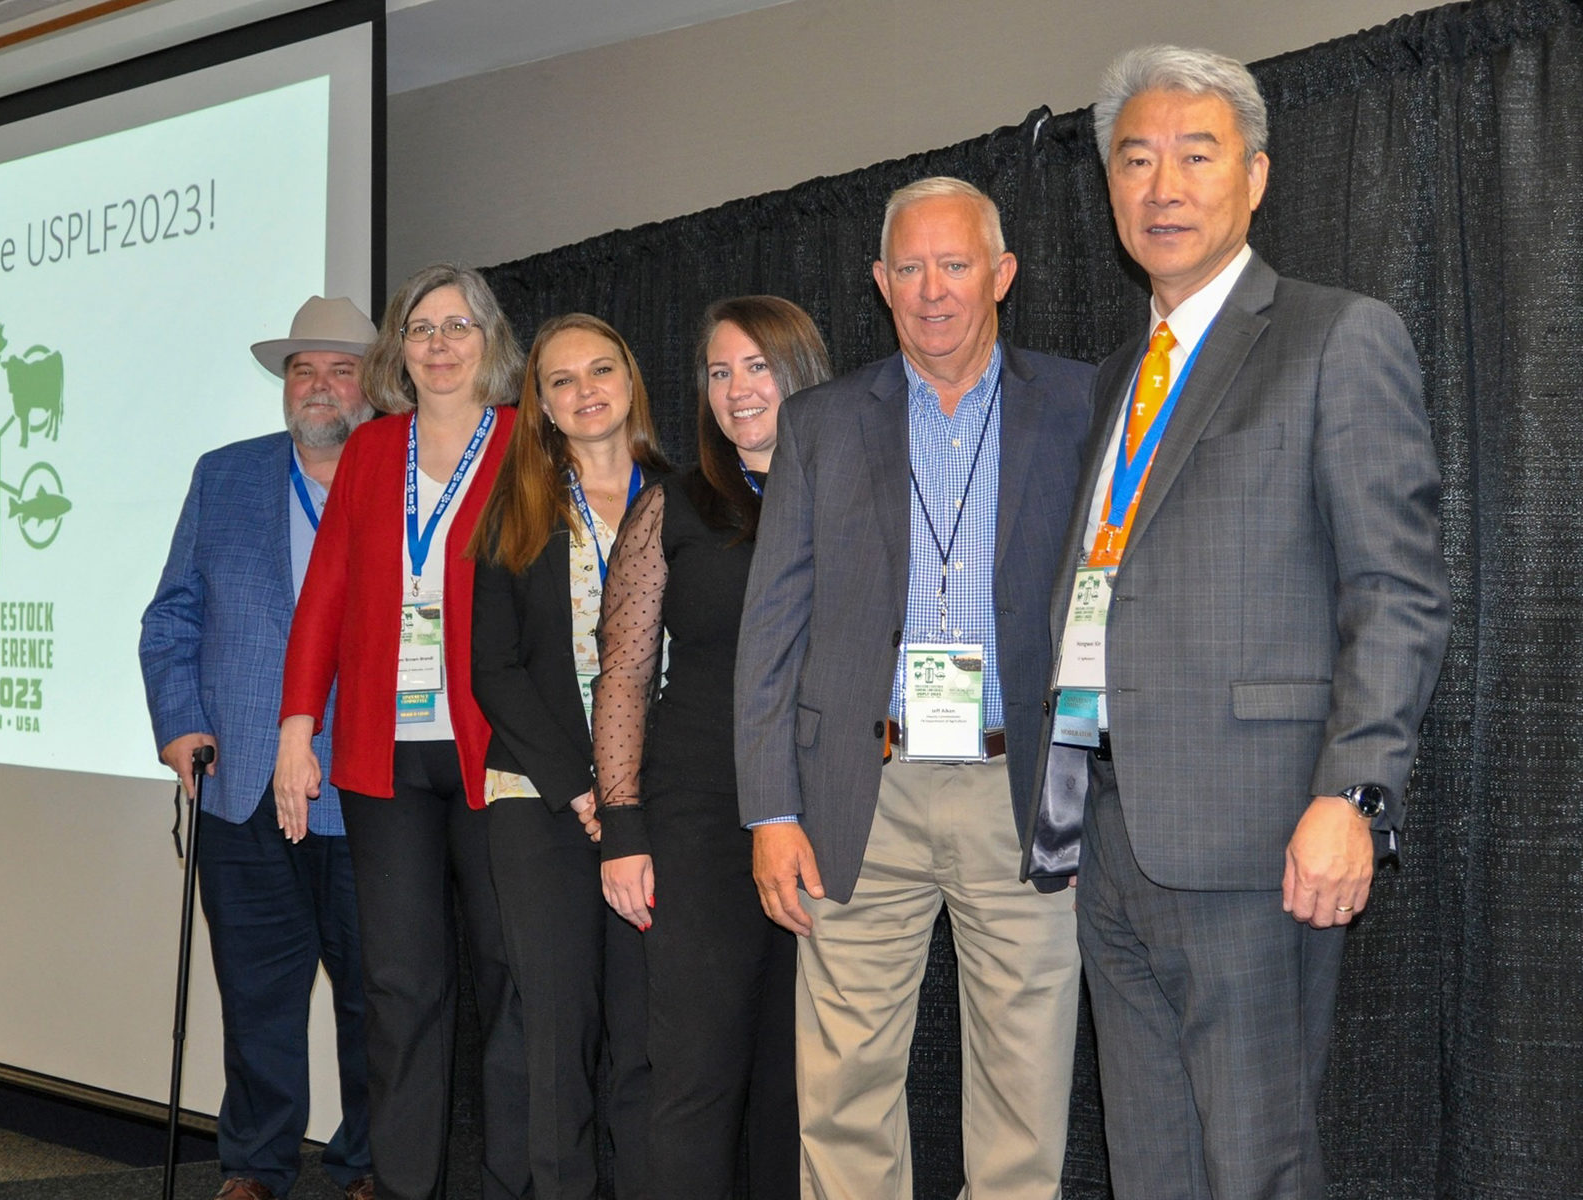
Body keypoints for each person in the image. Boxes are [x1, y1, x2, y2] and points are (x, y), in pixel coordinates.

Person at [1037, 46, 1449, 1198]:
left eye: (1194, 154)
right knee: (1150, 1163)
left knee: (1254, 1162)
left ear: (1255, 177)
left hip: (1258, 833)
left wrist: (1353, 793)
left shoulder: (1333, 336)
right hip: (1108, 839)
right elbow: (1098, 589)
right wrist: (1063, 806)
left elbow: (1396, 588)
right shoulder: (1118, 372)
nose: (1160, 185)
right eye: (1134, 160)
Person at [733, 178, 1094, 1200]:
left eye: (954, 263)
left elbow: (1111, 611)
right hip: (860, 789)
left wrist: (1081, 796)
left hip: (1017, 788)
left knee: (1023, 1091)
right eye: (908, 267)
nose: (931, 290)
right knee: (841, 1091)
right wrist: (770, 808)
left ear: (1002, 275)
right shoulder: (820, 422)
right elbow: (773, 628)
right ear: (878, 282)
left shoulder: (1081, 405)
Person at [277, 265, 530, 1200]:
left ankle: (510, 1181)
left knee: (511, 976)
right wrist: (296, 729)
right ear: (400, 351)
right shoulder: (376, 449)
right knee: (400, 984)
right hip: (382, 759)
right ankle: (407, 1183)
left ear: (489, 342)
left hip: (496, 752)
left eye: (457, 326)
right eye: (420, 327)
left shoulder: (526, 442)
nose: (438, 343)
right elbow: (327, 595)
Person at [138, 295, 378, 1200]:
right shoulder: (225, 475)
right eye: (302, 371)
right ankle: (256, 1164)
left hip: (369, 788)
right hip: (239, 780)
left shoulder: (403, 476)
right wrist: (179, 722)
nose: (318, 387)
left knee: (375, 998)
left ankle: (368, 1161)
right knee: (257, 995)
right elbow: (172, 616)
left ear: (371, 385)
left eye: (341, 369)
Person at [594, 295, 831, 1200]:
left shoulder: (851, 490)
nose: (737, 390)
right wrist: (623, 823)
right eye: (720, 372)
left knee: (796, 1079)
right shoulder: (674, 505)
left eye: (757, 367)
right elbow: (622, 671)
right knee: (695, 1075)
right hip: (697, 815)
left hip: (824, 815)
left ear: (798, 370)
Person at [468, 313, 672, 1200]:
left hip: (661, 801)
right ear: (541, 405)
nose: (585, 391)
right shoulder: (512, 510)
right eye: (561, 380)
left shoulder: (689, 496)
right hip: (538, 796)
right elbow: (493, 670)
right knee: (555, 1032)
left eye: (601, 371)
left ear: (630, 381)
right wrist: (584, 784)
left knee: (644, 1034)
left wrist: (631, 790)